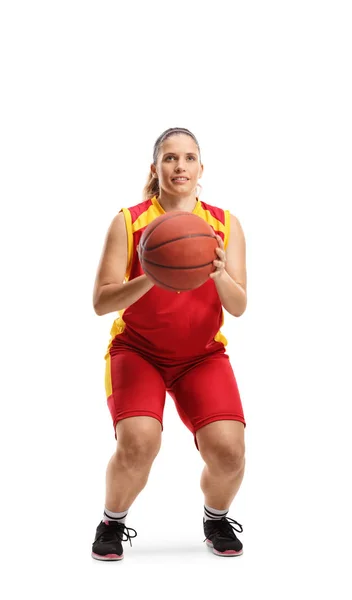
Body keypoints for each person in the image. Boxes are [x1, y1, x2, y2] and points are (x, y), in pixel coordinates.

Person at [91, 127, 247, 561]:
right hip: (137, 351)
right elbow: (101, 301)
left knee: (230, 452)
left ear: (201, 168)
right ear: (155, 167)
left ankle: (215, 517)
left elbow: (239, 306)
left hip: (201, 356)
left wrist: (217, 272)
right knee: (139, 441)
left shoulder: (225, 224)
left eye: (190, 158)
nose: (180, 166)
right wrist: (151, 274)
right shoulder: (129, 221)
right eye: (171, 158)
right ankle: (112, 521)